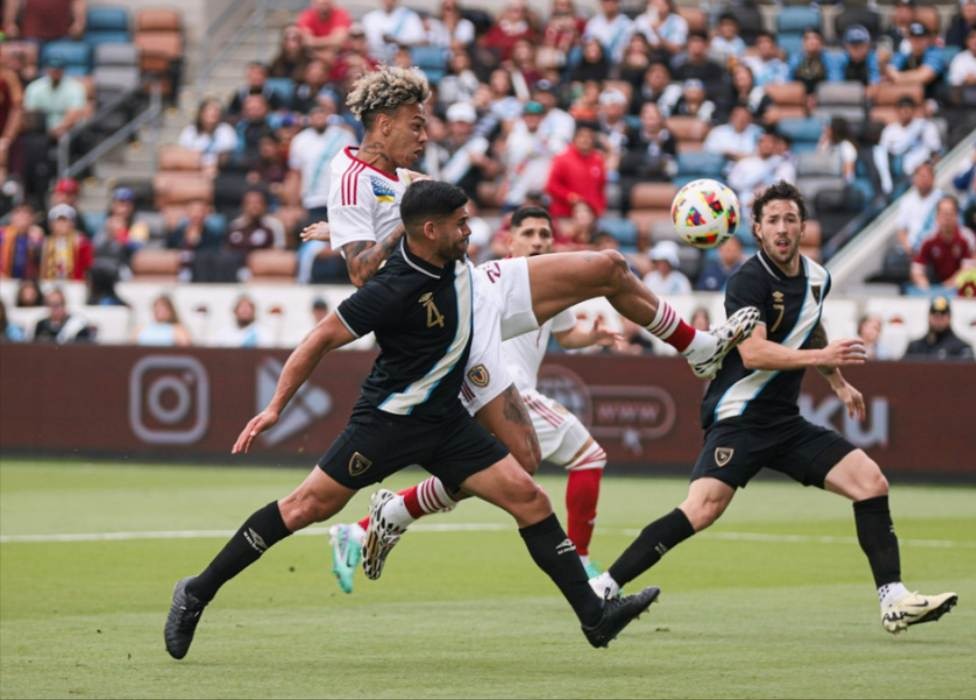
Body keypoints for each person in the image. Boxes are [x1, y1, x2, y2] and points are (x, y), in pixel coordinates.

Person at [164, 180, 663, 660]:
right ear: (430, 231)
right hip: (387, 423)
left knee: (529, 498)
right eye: (460, 223)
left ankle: (594, 617)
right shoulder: (393, 288)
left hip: (446, 422)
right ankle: (197, 591)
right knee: (304, 508)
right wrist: (275, 407)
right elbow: (319, 338)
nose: (470, 231)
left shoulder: (455, 259)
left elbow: (406, 199)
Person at [303, 66, 760, 574]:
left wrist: (386, 217)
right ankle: (393, 512)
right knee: (518, 462)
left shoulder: (404, 175)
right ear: (383, 124)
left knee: (608, 265)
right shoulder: (350, 178)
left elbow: (421, 223)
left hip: (477, 287)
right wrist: (391, 227)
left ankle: (698, 348)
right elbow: (363, 273)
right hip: (448, 329)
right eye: (416, 123)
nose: (425, 134)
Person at [586, 182, 959, 635]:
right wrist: (823, 360)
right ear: (757, 230)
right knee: (702, 508)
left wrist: (838, 383)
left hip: (784, 422)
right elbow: (755, 354)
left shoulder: (818, 278)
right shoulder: (747, 280)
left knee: (870, 482)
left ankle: (893, 599)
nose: (782, 229)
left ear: (803, 226)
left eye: (790, 219)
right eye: (772, 221)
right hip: (740, 415)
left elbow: (810, 327)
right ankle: (605, 586)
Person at [326, 207, 624, 589]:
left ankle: (373, 523)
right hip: (501, 391)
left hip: (501, 395)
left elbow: (565, 335)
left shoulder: (552, 284)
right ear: (507, 241)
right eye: (529, 233)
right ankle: (580, 563)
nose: (538, 241)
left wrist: (592, 338)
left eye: (545, 234)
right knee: (588, 456)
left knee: (478, 477)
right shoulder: (491, 280)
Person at [287, 104, 357, 225]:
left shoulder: (344, 136)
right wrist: (294, 206)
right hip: (312, 201)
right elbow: (295, 175)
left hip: (341, 199)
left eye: (321, 113)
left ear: (328, 115)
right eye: (315, 114)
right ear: (309, 117)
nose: (319, 117)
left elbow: (356, 168)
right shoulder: (299, 140)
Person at [878, 97, 943, 194]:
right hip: (900, 174)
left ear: (913, 110)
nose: (905, 113)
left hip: (923, 169)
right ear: (897, 111)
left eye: (908, 110)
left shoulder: (924, 126)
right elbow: (881, 153)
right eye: (902, 110)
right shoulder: (889, 130)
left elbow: (936, 150)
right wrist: (886, 179)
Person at [546, 122, 608, 218]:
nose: (585, 140)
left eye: (589, 137)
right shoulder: (562, 159)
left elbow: (601, 187)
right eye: (581, 136)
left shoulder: (598, 160)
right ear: (574, 139)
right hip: (565, 213)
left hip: (591, 214)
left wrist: (600, 207)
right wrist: (569, 196)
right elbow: (551, 186)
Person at [910, 198, 975, 289]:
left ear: (957, 216)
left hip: (963, 289)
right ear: (937, 216)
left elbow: (969, 269)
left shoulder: (967, 237)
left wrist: (946, 287)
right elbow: (917, 269)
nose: (947, 218)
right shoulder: (928, 239)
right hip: (935, 285)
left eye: (950, 214)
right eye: (944, 214)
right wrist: (924, 286)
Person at [21, 57, 88, 142]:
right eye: (53, 70)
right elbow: (30, 112)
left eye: (58, 70)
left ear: (63, 70)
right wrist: (44, 130)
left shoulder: (75, 87)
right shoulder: (35, 87)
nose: (55, 73)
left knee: (69, 136)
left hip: (68, 129)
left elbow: (75, 112)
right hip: (40, 129)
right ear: (46, 70)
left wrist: (61, 127)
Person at [728, 127, 796, 210]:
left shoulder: (783, 164)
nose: (767, 145)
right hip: (743, 206)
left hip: (771, 205)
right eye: (763, 141)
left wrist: (764, 194)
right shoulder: (744, 163)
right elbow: (733, 185)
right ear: (758, 144)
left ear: (776, 145)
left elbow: (786, 187)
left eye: (770, 142)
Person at [893, 162, 945, 257]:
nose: (923, 180)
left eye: (926, 176)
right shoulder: (906, 200)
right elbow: (901, 229)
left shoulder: (942, 199)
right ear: (914, 179)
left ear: (933, 178)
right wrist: (908, 248)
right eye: (920, 176)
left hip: (936, 248)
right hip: (912, 249)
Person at [903, 296, 975, 361]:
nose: (938, 319)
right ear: (928, 317)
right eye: (935, 315)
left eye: (942, 315)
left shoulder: (962, 348)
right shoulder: (915, 347)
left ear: (950, 317)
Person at [179, 99, 238, 172]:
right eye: (209, 110)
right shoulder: (190, 131)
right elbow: (183, 155)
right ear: (201, 113)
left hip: (221, 172)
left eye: (216, 111)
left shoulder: (226, 130)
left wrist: (213, 167)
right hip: (193, 170)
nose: (213, 113)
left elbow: (227, 156)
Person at [886, 22, 948, 91]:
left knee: (916, 91)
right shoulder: (905, 54)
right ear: (908, 39)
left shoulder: (935, 53)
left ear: (928, 39)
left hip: (933, 98)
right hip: (908, 95)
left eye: (921, 37)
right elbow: (890, 71)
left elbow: (923, 77)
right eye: (913, 37)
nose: (917, 41)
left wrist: (898, 77)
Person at [39, 204, 92, 282]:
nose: (61, 224)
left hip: (74, 285)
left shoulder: (81, 242)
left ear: (72, 223)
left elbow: (88, 266)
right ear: (51, 224)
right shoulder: (45, 242)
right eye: (58, 221)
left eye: (65, 221)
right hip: (50, 283)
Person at [361, 0, 423, 64]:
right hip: (375, 62)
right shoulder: (369, 17)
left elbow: (420, 41)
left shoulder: (410, 17)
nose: (388, 1)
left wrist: (396, 41)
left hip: (401, 63)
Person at [0, 203, 43, 279]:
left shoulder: (37, 236)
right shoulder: (2, 234)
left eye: (26, 212)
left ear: (32, 218)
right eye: (18, 212)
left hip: (28, 283)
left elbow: (40, 261)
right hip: (4, 280)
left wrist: (36, 241)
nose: (22, 215)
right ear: (11, 217)